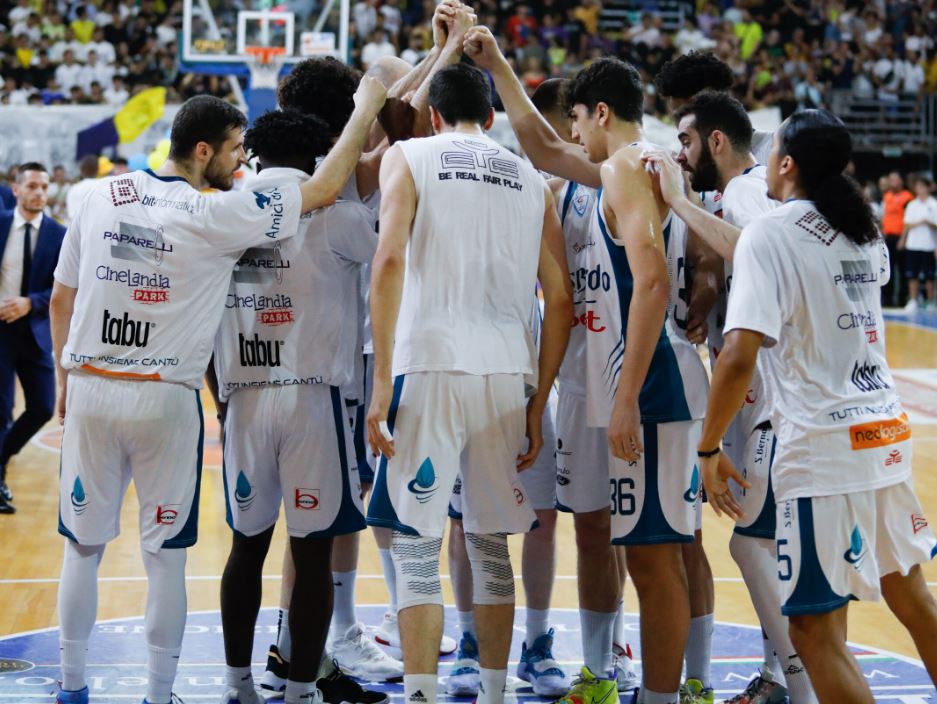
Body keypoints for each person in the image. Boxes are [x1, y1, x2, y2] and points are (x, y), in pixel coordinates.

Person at [48, 81, 386, 704]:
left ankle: (75, 688)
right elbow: (323, 193)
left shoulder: (98, 194)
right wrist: (368, 107)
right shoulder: (215, 213)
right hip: (177, 396)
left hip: (106, 388)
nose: (242, 163)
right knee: (169, 559)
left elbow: (63, 293)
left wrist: (63, 379)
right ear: (203, 151)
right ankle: (163, 694)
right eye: (234, 150)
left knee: (84, 550)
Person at [465, 28, 709, 704]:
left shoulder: (630, 164)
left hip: (647, 383)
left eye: (575, 116)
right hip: (610, 383)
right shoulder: (627, 164)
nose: (568, 133)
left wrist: (626, 393)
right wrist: (497, 65)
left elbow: (654, 283)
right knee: (609, 534)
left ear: (599, 113)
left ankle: (670, 693)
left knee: (656, 559)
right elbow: (541, 147)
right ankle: (606, 675)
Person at [697, 109, 937, 704]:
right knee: (910, 597)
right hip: (883, 433)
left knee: (810, 627)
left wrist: (707, 448)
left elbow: (737, 354)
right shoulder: (863, 230)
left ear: (786, 164)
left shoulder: (770, 232)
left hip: (823, 448)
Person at [365, 62, 572, 704]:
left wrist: (379, 383)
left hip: (428, 364)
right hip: (508, 371)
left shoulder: (410, 155)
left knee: (420, 542)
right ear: (491, 117)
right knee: (487, 540)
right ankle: (494, 693)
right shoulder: (530, 179)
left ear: (433, 114)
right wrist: (537, 401)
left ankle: (424, 693)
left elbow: (391, 258)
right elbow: (560, 299)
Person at [644, 92, 820, 704]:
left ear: (716, 140)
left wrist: (674, 201)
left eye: (687, 141)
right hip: (769, 395)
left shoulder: (746, 191)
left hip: (766, 396)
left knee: (758, 540)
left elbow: (749, 248)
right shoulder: (748, 198)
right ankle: (784, 676)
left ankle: (792, 680)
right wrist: (705, 298)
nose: (680, 153)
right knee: (770, 541)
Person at [214, 108, 386, 704]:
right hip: (313, 397)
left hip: (242, 397)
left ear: (254, 153)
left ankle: (238, 684)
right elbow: (392, 252)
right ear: (317, 158)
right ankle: (300, 691)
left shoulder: (224, 210)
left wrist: (219, 401)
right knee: (312, 555)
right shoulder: (337, 214)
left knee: (246, 547)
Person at [0, 162, 65, 515]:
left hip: (37, 330)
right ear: (16, 189)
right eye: (32, 186)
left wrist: (30, 303)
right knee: (1, 409)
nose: (39, 192)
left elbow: (64, 286)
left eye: (44, 187)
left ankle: (0, 459)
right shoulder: (0, 225)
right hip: (0, 332)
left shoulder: (59, 234)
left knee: (42, 407)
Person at [898, 176, 937, 312]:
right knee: (912, 274)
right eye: (917, 187)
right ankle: (913, 300)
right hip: (913, 244)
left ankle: (931, 301)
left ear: (928, 188)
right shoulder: (912, 204)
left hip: (929, 245)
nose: (919, 189)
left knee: (929, 275)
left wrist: (929, 223)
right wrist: (902, 239)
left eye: (922, 186)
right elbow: (907, 224)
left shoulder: (934, 204)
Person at [880, 172, 914, 308]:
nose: (893, 182)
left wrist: (904, 239)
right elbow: (884, 216)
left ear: (901, 181)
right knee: (888, 269)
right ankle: (887, 299)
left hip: (902, 237)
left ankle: (902, 299)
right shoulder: (887, 196)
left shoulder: (908, 197)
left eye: (895, 179)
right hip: (888, 237)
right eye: (891, 179)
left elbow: (909, 218)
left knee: (903, 268)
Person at [64, 154, 99, 224]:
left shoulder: (73, 189)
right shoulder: (103, 187)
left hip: (76, 230)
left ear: (81, 170)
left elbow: (71, 215)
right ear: (97, 169)